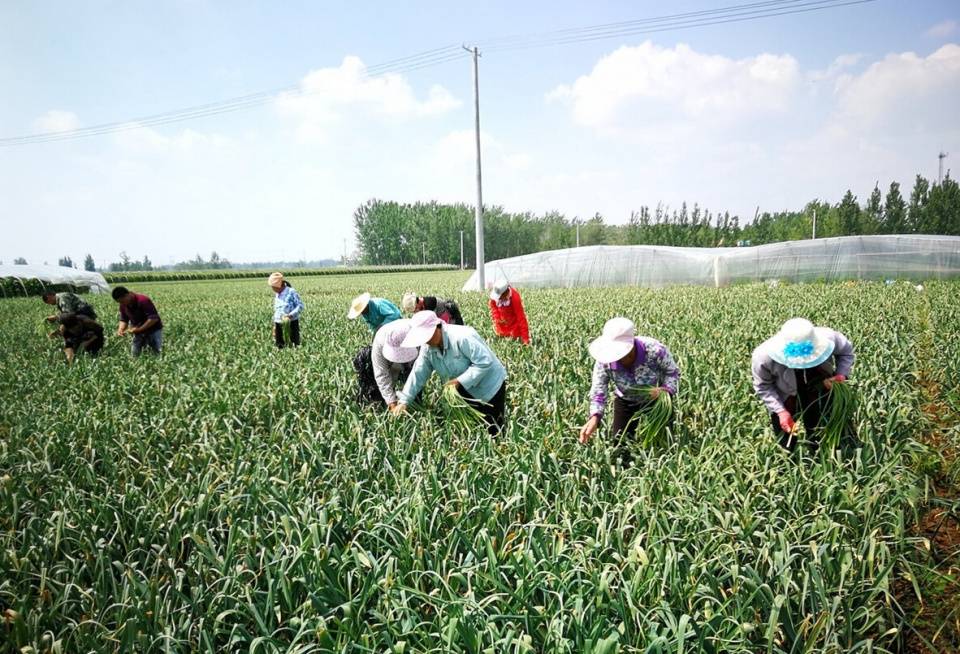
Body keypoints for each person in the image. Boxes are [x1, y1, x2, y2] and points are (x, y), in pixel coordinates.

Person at [579, 317, 680, 464]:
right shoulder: (605, 360)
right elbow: (599, 389)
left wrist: (665, 390)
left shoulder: (655, 350)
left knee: (664, 443)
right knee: (620, 447)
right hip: (625, 400)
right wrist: (595, 416)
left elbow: (672, 372)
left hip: (656, 401)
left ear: (631, 346)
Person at [392, 310, 508, 435]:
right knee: (473, 426)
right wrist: (404, 401)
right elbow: (418, 373)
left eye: (428, 336)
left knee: (494, 426)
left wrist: (459, 381)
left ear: (437, 327)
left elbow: (485, 362)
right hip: (464, 388)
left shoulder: (462, 336)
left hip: (490, 386)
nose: (427, 341)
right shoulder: (428, 348)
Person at [752, 318, 855, 452]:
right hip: (786, 394)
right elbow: (763, 386)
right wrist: (780, 411)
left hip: (820, 385)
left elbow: (846, 353)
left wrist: (841, 374)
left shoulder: (830, 338)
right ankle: (786, 461)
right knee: (785, 434)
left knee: (820, 424)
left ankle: (819, 452)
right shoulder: (763, 356)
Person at [353, 318, 420, 408]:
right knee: (383, 390)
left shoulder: (419, 336)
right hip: (388, 357)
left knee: (412, 378)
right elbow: (381, 374)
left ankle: (416, 404)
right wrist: (392, 403)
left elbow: (420, 371)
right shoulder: (380, 343)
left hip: (414, 353)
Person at [112, 286, 163, 356]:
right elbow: (124, 319)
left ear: (127, 295)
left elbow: (153, 319)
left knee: (156, 352)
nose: (121, 304)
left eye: (122, 301)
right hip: (138, 331)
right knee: (135, 354)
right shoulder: (123, 305)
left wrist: (139, 329)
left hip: (153, 330)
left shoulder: (143, 300)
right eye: (119, 302)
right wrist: (120, 329)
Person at [268, 272, 304, 348]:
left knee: (293, 344)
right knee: (280, 346)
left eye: (273, 287)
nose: (272, 289)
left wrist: (290, 315)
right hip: (279, 323)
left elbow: (300, 306)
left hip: (291, 322)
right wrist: (275, 326)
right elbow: (277, 310)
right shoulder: (277, 294)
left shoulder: (291, 292)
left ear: (278, 285)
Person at [488, 280, 530, 345]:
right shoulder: (496, 294)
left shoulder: (515, 297)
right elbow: (493, 306)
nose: (498, 299)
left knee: (513, 344)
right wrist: (497, 318)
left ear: (505, 294)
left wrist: (525, 339)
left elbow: (521, 318)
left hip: (514, 328)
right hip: (501, 328)